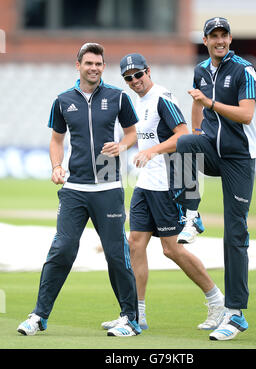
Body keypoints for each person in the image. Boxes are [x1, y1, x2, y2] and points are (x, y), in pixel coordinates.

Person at [17, 43, 142, 337]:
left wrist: (122, 146)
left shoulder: (118, 97)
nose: (94, 68)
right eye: (89, 63)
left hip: (109, 187)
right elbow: (57, 140)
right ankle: (39, 316)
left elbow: (132, 132)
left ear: (103, 66)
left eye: (99, 64)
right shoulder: (62, 101)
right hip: (74, 188)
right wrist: (56, 166)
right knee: (61, 249)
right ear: (78, 65)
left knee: (116, 254)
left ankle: (130, 319)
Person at [101, 53, 225, 332]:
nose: (134, 81)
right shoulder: (137, 101)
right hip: (146, 184)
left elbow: (183, 134)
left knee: (171, 249)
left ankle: (218, 301)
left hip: (168, 184)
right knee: (134, 244)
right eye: (128, 78)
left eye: (138, 75)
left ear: (148, 71)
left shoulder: (162, 96)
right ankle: (135, 314)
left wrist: (152, 151)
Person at [175, 17, 256, 341]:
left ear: (230, 38)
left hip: (239, 158)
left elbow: (246, 114)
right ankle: (192, 217)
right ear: (206, 40)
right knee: (184, 143)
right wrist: (197, 131)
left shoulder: (243, 70)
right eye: (214, 36)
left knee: (235, 233)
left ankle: (235, 313)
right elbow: (197, 105)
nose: (220, 41)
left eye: (224, 35)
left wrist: (210, 103)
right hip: (212, 150)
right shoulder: (201, 70)